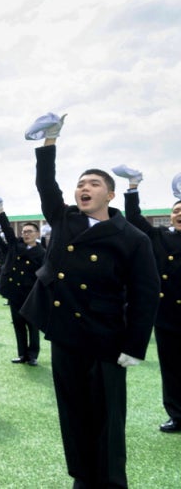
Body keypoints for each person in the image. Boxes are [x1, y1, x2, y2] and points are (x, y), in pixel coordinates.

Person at [19, 116, 159, 488]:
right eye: (80, 183)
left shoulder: (130, 238)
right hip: (66, 336)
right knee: (74, 414)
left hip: (106, 340)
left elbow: (146, 295)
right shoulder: (65, 220)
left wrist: (134, 346)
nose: (84, 188)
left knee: (108, 419)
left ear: (110, 195)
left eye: (93, 184)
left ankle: (111, 481)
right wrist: (49, 142)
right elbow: (46, 185)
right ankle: (82, 476)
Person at [118, 166, 181, 433]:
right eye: (177, 210)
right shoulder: (158, 236)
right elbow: (133, 218)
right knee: (171, 368)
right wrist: (133, 187)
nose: (180, 214)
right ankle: (177, 414)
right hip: (166, 315)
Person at [0, 193, 45, 365]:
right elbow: (7, 228)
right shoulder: (15, 245)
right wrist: (0, 208)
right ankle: (22, 354)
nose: (26, 234)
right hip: (14, 292)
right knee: (18, 324)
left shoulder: (42, 253)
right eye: (24, 231)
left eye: (29, 231)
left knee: (32, 325)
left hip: (31, 293)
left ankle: (33, 355)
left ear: (37, 234)